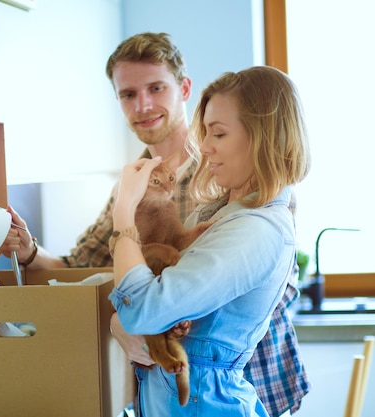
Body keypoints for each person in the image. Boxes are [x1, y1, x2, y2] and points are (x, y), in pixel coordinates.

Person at [0, 32, 310, 416]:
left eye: (156, 88)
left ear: (184, 88)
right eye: (128, 94)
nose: (143, 104)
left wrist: (144, 313)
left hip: (246, 379)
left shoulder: (233, 175)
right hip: (168, 386)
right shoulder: (131, 187)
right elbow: (84, 267)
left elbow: (267, 281)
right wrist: (29, 249)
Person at [108, 65, 311, 416]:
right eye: (205, 134)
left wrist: (123, 210)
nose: (204, 147)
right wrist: (119, 321)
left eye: (218, 134)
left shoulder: (255, 231)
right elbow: (156, 294)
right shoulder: (219, 213)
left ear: (263, 137)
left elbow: (144, 311)